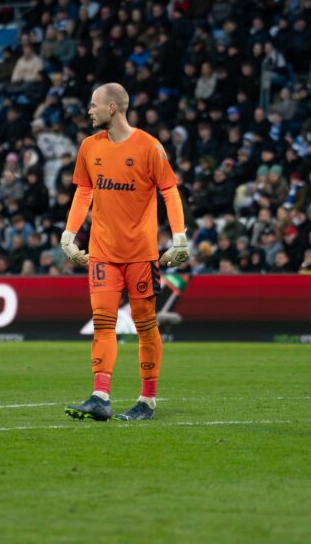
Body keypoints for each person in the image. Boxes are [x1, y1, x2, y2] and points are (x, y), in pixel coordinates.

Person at [62, 83, 189, 422]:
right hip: (102, 253)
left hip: (141, 255)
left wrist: (179, 238)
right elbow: (84, 192)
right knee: (103, 323)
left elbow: (170, 192)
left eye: (93, 105)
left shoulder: (149, 147)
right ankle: (100, 396)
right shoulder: (89, 147)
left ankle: (147, 401)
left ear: (113, 108)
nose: (89, 111)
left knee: (145, 325)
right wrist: (68, 237)